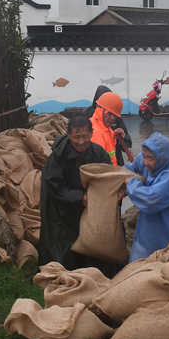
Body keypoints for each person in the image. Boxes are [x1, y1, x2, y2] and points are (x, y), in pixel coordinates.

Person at [37, 114, 112, 270]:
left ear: (91, 134)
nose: (81, 141)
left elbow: (108, 176)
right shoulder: (58, 156)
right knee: (64, 245)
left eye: (85, 136)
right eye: (76, 137)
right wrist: (79, 197)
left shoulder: (98, 153)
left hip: (89, 204)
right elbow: (54, 185)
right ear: (69, 134)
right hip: (61, 206)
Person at [125, 132, 169, 262]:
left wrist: (132, 183)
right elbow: (130, 168)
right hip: (148, 232)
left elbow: (149, 200)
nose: (145, 162)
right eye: (144, 156)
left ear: (162, 158)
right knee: (138, 267)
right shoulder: (146, 160)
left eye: (150, 158)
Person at [91, 85, 133, 165]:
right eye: (109, 114)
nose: (112, 118)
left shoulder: (109, 127)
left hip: (114, 165)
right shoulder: (92, 129)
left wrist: (122, 138)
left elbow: (128, 144)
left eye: (115, 115)